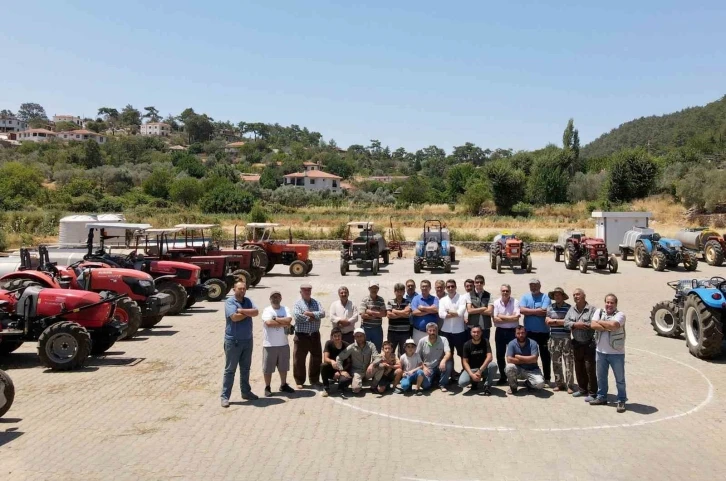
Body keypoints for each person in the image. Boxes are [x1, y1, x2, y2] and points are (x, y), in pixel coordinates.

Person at [221, 281, 259, 407]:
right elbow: (234, 317)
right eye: (240, 288)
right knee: (230, 370)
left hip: (247, 340)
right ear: (234, 289)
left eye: (244, 288)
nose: (242, 290)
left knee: (245, 369)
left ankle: (246, 392)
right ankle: (225, 397)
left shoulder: (248, 301)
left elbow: (256, 312)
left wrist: (242, 311)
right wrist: (248, 313)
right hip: (233, 341)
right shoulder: (230, 302)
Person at [590, 294, 627, 413]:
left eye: (612, 303)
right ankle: (602, 397)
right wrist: (607, 326)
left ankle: (621, 400)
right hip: (600, 352)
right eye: (607, 302)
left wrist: (600, 323)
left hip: (616, 353)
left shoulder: (620, 315)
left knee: (620, 379)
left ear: (616, 304)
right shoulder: (599, 311)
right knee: (601, 377)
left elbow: (614, 325)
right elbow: (593, 325)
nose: (609, 305)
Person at [563, 288, 597, 401]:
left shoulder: (592, 309)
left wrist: (584, 325)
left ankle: (592, 392)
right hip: (577, 343)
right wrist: (575, 325)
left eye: (578, 294)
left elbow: (594, 323)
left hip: (589, 344)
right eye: (574, 295)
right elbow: (566, 323)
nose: (575, 296)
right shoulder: (571, 310)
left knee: (589, 368)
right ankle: (582, 389)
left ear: (584, 296)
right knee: (579, 368)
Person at [260, 290, 295, 397]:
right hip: (269, 344)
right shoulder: (267, 310)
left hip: (283, 343)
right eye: (273, 297)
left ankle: (283, 385)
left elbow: (289, 320)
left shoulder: (285, 309)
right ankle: (267, 387)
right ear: (270, 299)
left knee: (283, 367)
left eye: (277, 297)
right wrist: (283, 323)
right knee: (268, 368)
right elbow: (268, 323)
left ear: (281, 298)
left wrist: (276, 319)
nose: (275, 299)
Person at [292, 283, 326, 389]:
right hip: (301, 336)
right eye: (305, 290)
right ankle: (299, 381)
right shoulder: (298, 304)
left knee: (316, 357)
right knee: (299, 359)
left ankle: (314, 379)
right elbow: (297, 316)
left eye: (308, 290)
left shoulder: (316, 302)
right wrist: (311, 318)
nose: (307, 292)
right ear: (301, 292)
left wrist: (310, 314)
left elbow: (322, 313)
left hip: (315, 334)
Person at [519, 279, 552, 384]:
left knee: (545, 356)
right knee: (530, 355)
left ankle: (547, 378)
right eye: (531, 285)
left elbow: (544, 312)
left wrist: (529, 311)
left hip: (543, 332)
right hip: (529, 332)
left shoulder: (546, 297)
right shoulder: (525, 297)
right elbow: (522, 310)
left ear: (540, 286)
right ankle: (531, 376)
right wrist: (537, 311)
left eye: (535, 285)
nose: (533, 287)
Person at [336, 328, 383, 394]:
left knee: (381, 366)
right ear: (354, 337)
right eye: (357, 336)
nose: (359, 338)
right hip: (357, 372)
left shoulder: (371, 345)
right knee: (356, 389)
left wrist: (372, 364)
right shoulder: (351, 347)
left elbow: (377, 357)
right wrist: (341, 370)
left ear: (364, 336)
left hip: (368, 370)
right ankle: (357, 381)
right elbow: (339, 358)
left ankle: (373, 386)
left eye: (361, 336)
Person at [546, 287, 574, 393]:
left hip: (566, 338)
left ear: (563, 296)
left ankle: (569, 385)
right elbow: (547, 321)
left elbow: (568, 322)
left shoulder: (569, 308)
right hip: (554, 338)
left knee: (568, 362)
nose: (557, 296)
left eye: (559, 294)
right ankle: (559, 384)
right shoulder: (550, 307)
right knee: (556, 362)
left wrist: (554, 321)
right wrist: (560, 321)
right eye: (555, 295)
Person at [492, 284, 520, 385]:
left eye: (507, 291)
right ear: (501, 292)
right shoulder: (496, 302)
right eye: (503, 291)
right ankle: (503, 377)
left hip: (512, 331)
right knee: (500, 355)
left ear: (510, 292)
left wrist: (501, 316)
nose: (505, 292)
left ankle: (513, 377)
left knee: (513, 355)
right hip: (500, 331)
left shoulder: (515, 302)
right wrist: (510, 317)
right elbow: (495, 319)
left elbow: (516, 318)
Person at [504, 325, 546, 395]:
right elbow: (509, 359)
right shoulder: (511, 343)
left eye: (522, 333)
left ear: (526, 333)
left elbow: (534, 359)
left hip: (532, 370)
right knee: (509, 367)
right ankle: (513, 387)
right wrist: (528, 360)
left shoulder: (533, 343)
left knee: (540, 384)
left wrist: (519, 357)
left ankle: (528, 383)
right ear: (515, 334)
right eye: (518, 333)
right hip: (518, 369)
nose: (520, 335)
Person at [459, 325, 497, 395]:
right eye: (474, 332)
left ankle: (487, 385)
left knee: (493, 365)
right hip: (472, 369)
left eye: (478, 332)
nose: (476, 334)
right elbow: (465, 362)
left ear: (481, 333)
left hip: (483, 368)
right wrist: (471, 374)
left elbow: (489, 357)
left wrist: (480, 371)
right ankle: (474, 382)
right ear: (470, 333)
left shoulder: (485, 341)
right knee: (462, 383)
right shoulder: (467, 344)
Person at [438, 279, 468, 368]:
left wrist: (448, 311)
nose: (450, 288)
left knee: (462, 354)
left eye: (452, 286)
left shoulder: (462, 298)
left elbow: (460, 313)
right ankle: (451, 373)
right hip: (446, 331)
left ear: (456, 287)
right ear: (446, 288)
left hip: (459, 331)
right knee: (448, 353)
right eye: (448, 287)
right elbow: (441, 314)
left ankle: (465, 371)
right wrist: (455, 313)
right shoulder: (442, 300)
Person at [416, 322, 454, 392]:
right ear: (427, 331)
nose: (432, 332)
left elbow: (448, 353)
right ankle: (434, 380)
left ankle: (442, 384)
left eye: (434, 330)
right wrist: (424, 367)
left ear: (437, 331)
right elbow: (417, 356)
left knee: (448, 363)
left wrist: (443, 360)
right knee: (425, 386)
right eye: (430, 330)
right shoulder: (422, 341)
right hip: (428, 367)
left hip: (440, 366)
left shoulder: (443, 339)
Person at [321, 328, 350, 397]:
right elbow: (325, 358)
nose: (337, 338)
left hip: (343, 369)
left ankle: (342, 386)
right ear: (332, 337)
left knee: (344, 381)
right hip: (332, 368)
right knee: (323, 365)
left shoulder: (347, 345)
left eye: (339, 336)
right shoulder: (328, 343)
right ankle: (326, 387)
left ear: (341, 336)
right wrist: (332, 361)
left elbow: (349, 362)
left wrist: (340, 371)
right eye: (335, 336)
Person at [359, 280, 387, 351]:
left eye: (375, 288)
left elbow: (384, 314)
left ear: (378, 289)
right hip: (366, 328)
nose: (374, 290)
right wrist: (377, 314)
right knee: (364, 349)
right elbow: (363, 315)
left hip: (377, 329)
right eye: (372, 288)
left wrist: (370, 312)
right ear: (369, 289)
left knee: (377, 350)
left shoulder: (381, 300)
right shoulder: (365, 300)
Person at [387, 283, 412, 357]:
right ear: (394, 292)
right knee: (390, 351)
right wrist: (402, 313)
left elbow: (407, 314)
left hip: (404, 332)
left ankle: (401, 365)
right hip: (392, 332)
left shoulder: (408, 302)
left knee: (403, 353)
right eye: (397, 291)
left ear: (404, 292)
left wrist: (395, 311)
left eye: (401, 291)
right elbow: (389, 315)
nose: (399, 293)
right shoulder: (390, 302)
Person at [466, 274, 492, 341]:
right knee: (472, 346)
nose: (479, 284)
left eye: (481, 282)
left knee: (485, 345)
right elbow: (469, 311)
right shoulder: (469, 295)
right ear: (474, 283)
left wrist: (475, 310)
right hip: (472, 327)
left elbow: (489, 312)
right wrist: (483, 308)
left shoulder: (489, 295)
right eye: (477, 282)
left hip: (485, 327)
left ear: (484, 283)